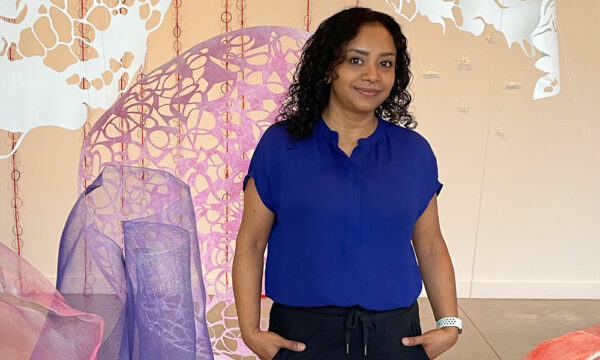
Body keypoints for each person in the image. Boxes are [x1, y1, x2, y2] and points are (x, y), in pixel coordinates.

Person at [233, 7, 460, 360]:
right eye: (356, 61)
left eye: (385, 64)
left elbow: (430, 245)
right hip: (301, 337)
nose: (372, 75)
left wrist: (449, 324)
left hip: (394, 337)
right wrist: (250, 330)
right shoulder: (280, 146)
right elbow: (251, 243)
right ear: (328, 67)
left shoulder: (413, 152)